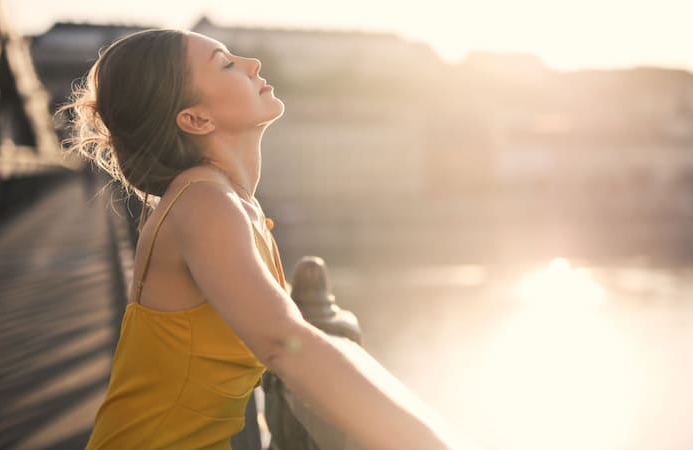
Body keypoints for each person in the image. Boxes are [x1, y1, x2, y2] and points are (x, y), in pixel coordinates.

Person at [60, 28, 463, 450]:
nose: (252, 64)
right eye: (227, 64)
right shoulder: (203, 202)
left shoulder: (229, 203)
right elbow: (283, 344)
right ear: (197, 119)